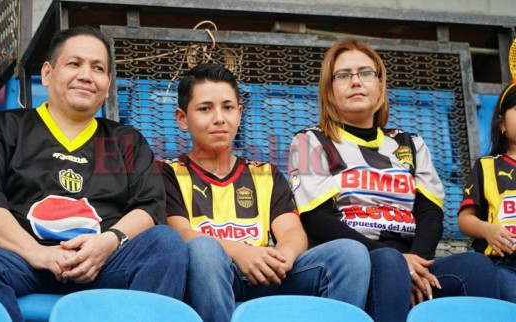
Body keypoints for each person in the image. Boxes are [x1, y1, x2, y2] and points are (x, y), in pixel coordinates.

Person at [0, 26, 188, 321]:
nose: (86, 75)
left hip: (105, 262)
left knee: (166, 245)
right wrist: (37, 253)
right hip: (23, 260)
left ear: (108, 84)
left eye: (98, 68)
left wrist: (108, 242)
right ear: (48, 73)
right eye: (74, 64)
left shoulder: (126, 141)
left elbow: (149, 207)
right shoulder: (7, 129)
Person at [288, 39, 500, 322]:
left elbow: (430, 212)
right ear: (329, 90)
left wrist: (416, 265)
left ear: (380, 84)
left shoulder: (410, 143)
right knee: (388, 262)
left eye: (365, 73)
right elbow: (317, 219)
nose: (355, 82)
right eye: (343, 75)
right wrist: (398, 263)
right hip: (359, 262)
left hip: (411, 258)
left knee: (476, 266)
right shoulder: (309, 141)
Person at [159, 63, 371, 322]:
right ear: (182, 118)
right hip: (212, 275)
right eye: (205, 109)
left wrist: (283, 257)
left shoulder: (265, 173)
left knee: (351, 253)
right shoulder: (167, 172)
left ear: (239, 113)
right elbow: (181, 234)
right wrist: (241, 252)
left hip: (266, 272)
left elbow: (292, 231)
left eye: (227, 108)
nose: (219, 118)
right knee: (204, 250)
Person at [458, 80, 516, 303]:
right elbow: (465, 220)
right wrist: (487, 230)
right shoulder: (487, 166)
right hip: (503, 265)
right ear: (501, 124)